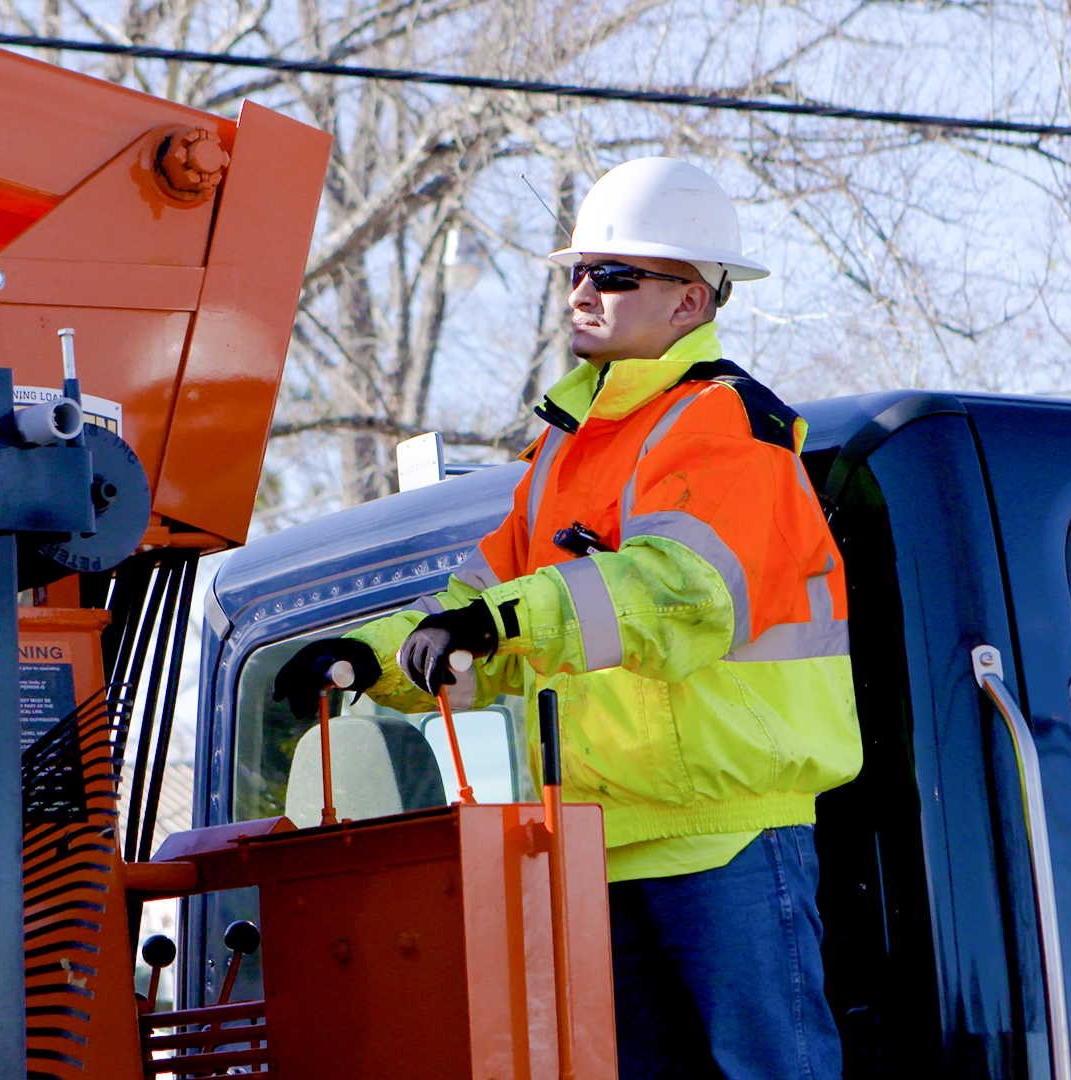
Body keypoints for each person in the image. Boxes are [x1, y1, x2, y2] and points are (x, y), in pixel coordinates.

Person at [275, 157, 862, 1080]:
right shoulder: (562, 450)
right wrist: (370, 657)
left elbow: (677, 591)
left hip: (729, 830)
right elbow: (478, 604)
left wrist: (496, 627)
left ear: (692, 300)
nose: (583, 291)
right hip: (603, 841)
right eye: (577, 272)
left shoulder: (725, 425)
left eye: (614, 274)